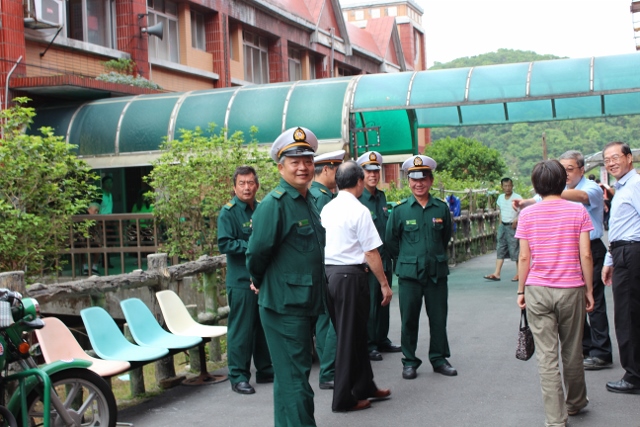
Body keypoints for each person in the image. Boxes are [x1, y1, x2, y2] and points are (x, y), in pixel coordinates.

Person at [246, 127, 325, 426]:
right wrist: (259, 280)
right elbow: (256, 254)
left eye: (307, 160)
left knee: (292, 378)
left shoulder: (308, 200)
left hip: (303, 302)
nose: (303, 167)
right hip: (283, 306)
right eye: (294, 161)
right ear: (281, 167)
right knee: (296, 383)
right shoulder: (274, 205)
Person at [515, 159, 594, 426]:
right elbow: (586, 254)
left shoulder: (527, 214)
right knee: (572, 349)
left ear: (536, 186)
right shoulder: (577, 211)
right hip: (571, 288)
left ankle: (555, 419)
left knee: (547, 355)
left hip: (537, 289)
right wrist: (589, 289)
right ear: (563, 182)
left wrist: (521, 290)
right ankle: (575, 402)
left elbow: (524, 258)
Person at [321, 160, 392, 412]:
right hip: (350, 276)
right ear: (359, 182)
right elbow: (371, 252)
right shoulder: (359, 210)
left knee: (357, 334)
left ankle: (365, 385)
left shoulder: (327, 208)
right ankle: (342, 399)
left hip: (330, 275)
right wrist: (384, 283)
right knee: (349, 338)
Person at [385, 155, 456, 380]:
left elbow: (445, 238)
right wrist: (408, 259)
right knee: (409, 320)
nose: (419, 183)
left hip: (436, 273)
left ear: (431, 180)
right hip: (409, 276)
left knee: (438, 318)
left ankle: (439, 358)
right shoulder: (400, 211)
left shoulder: (441, 209)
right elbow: (391, 242)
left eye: (423, 178)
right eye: (414, 179)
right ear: (408, 182)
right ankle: (409, 361)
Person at [554, 151, 613, 371]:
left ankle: (602, 352)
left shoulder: (590, 188)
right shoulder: (563, 191)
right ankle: (586, 347)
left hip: (591, 248)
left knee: (593, 300)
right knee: (575, 301)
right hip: (571, 250)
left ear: (581, 169)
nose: (566, 174)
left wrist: (552, 191)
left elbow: (582, 198)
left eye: (570, 169)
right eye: (562, 170)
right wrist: (525, 201)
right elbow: (539, 199)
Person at [218, 166, 274, 395]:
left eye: (250, 182)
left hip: (263, 278)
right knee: (241, 330)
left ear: (257, 185)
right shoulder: (228, 212)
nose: (246, 187)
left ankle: (265, 369)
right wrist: (253, 247)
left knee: (263, 325)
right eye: (241, 183)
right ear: (234, 187)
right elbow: (225, 243)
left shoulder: (262, 209)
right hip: (241, 280)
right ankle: (239, 376)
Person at [601, 141, 640, 395]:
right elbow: (617, 229)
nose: (611, 162)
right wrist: (609, 260)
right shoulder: (622, 187)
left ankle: (634, 376)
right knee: (631, 314)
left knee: (627, 315)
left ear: (629, 158)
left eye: (616, 157)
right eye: (607, 160)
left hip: (631, 252)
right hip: (621, 252)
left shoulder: (635, 185)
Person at [355, 151, 401, 362]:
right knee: (371, 303)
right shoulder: (358, 199)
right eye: (368, 171)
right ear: (361, 173)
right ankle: (369, 343)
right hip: (368, 261)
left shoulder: (381, 196)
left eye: (376, 170)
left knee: (385, 299)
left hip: (384, 258)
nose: (373, 175)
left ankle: (382, 339)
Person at [308, 149, 344, 390]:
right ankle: (328, 372)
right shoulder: (320, 198)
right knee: (329, 321)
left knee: (324, 320)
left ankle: (329, 369)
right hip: (324, 266)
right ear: (328, 170)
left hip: (321, 266)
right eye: (337, 169)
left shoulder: (318, 194)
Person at [484, 177, 521, 282]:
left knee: (515, 249)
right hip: (503, 226)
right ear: (502, 187)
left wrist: (517, 219)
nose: (507, 188)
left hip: (513, 226)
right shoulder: (500, 198)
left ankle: (519, 273)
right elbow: (500, 211)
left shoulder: (517, 197)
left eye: (509, 185)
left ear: (512, 186)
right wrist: (499, 226)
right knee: (500, 248)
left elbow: (524, 210)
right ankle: (497, 273)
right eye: (505, 186)